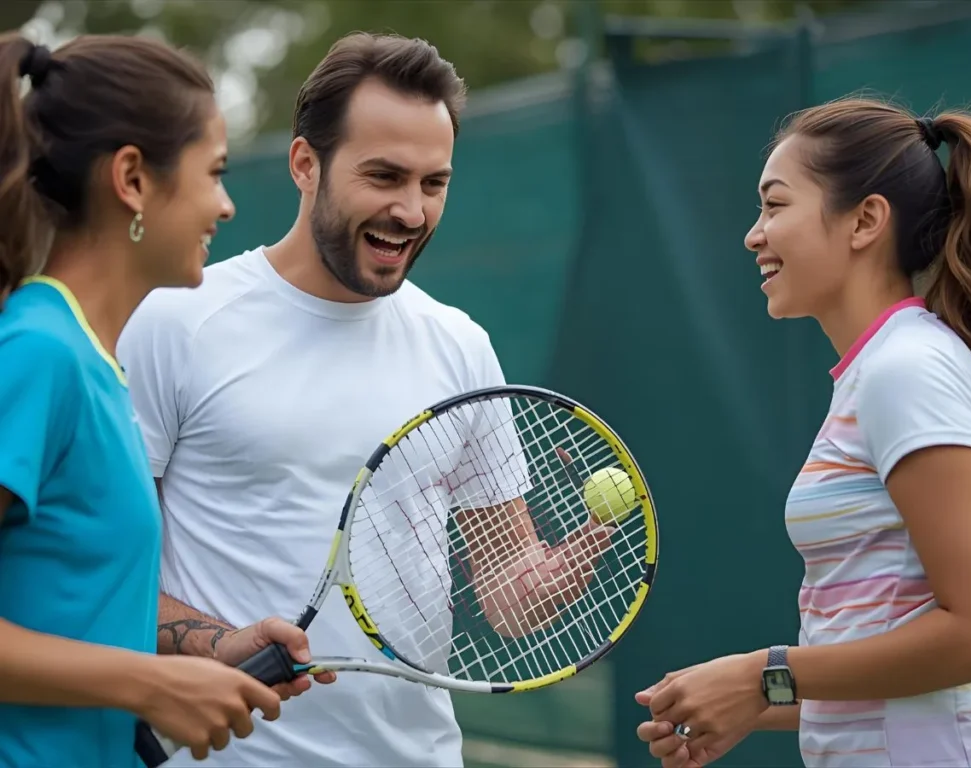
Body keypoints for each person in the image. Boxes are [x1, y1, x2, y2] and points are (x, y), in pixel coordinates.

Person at [116, 30, 608, 767]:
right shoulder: (175, 321)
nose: (411, 211)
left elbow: (506, 592)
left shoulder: (460, 345)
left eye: (433, 183)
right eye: (384, 176)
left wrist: (550, 578)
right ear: (305, 164)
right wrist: (219, 646)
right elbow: (108, 572)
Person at [636, 97, 971, 767]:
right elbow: (886, 646)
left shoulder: (908, 370)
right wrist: (755, 702)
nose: (753, 235)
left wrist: (762, 673)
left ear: (866, 220)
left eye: (775, 205)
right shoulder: (880, 369)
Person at [0, 33, 329, 768]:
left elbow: (66, 605)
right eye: (212, 173)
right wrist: (152, 684)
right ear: (133, 180)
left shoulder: (95, 362)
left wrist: (211, 653)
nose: (227, 204)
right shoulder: (38, 355)